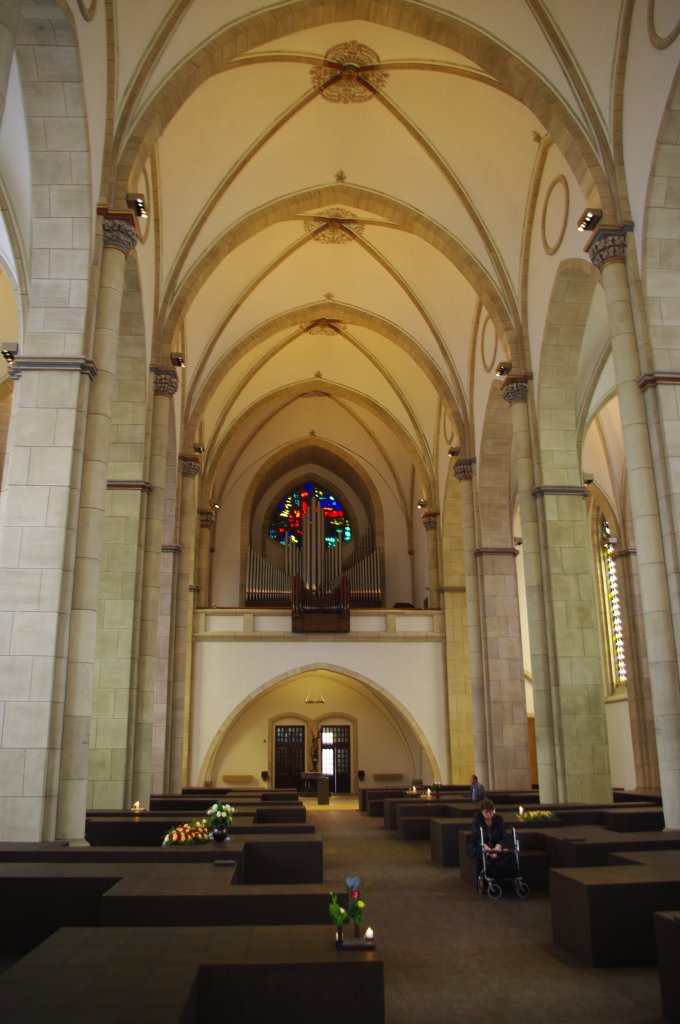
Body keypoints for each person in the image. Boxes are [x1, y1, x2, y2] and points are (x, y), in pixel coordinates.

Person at [467, 798, 517, 878]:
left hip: (495, 846)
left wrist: (498, 846)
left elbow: (503, 836)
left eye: (491, 812)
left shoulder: (499, 819)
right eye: (486, 812)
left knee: (507, 855)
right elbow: (475, 837)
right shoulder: (477, 820)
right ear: (482, 811)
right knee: (483, 854)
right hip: (481, 845)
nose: (489, 814)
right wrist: (489, 850)